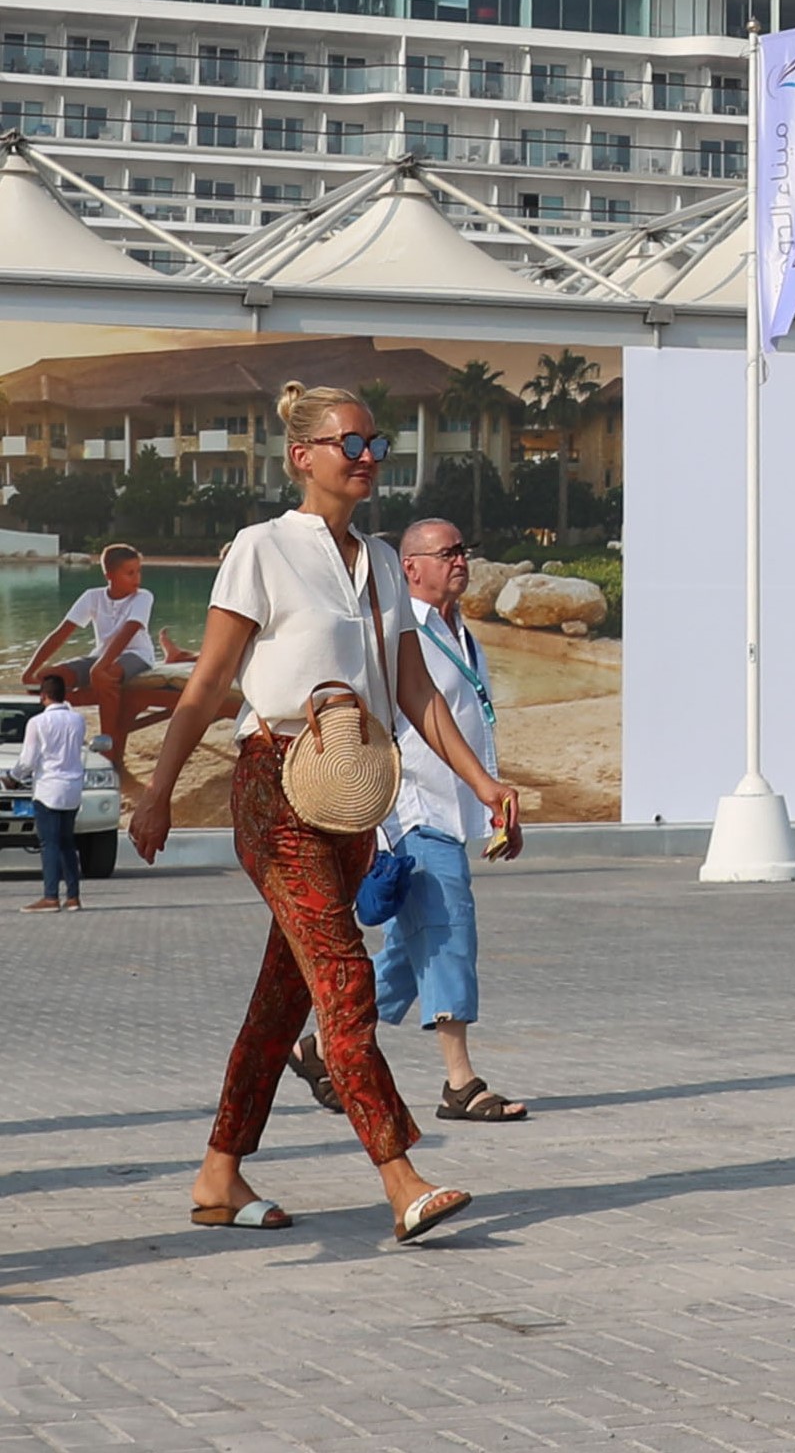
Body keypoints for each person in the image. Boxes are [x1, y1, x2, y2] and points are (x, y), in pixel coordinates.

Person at [127, 382, 522, 1243]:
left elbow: (414, 690)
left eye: (375, 442)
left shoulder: (383, 562)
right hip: (275, 790)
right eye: (351, 443)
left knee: (282, 1000)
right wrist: (157, 790)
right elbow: (206, 685)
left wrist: (484, 782)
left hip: (352, 795)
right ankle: (401, 1175)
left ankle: (218, 1175)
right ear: (302, 456)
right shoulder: (260, 549)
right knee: (343, 980)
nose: (369, 456)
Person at [370, 516, 530, 1124]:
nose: (461, 560)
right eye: (448, 552)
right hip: (413, 806)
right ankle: (459, 1082)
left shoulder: (464, 635)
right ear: (411, 567)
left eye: (465, 550)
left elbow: (473, 726)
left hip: (454, 806)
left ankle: (322, 1049)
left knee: (409, 952)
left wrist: (493, 804)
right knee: (448, 930)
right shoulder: (399, 632)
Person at [22, 543, 174, 767]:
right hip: (101, 655)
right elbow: (61, 633)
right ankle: (52, 743)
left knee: (105, 675)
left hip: (137, 656)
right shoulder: (92, 597)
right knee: (46, 679)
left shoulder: (143, 597)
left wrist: (101, 666)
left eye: (138, 571)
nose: (137, 578)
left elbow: (128, 630)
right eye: (130, 573)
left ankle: (108, 749)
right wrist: (30, 670)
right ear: (109, 575)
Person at [15, 672, 88, 913]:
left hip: (49, 789)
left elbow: (28, 760)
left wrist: (13, 777)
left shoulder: (37, 723)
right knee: (68, 842)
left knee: (49, 843)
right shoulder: (78, 720)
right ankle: (73, 897)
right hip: (73, 789)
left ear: (43, 696)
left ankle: (50, 896)